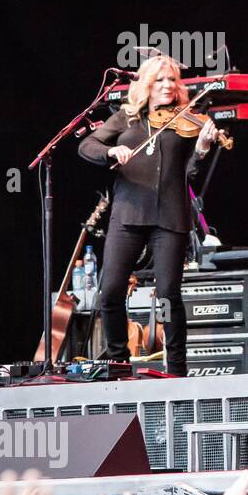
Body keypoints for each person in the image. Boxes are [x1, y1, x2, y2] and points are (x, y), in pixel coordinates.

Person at [78, 55, 220, 377]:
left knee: (169, 293)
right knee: (110, 291)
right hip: (128, 213)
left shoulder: (187, 120)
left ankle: (177, 369)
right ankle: (118, 362)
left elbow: (190, 175)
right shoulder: (126, 118)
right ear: (146, 84)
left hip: (169, 217)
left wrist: (200, 150)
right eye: (160, 80)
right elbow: (87, 146)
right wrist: (110, 152)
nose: (168, 86)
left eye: (172, 80)